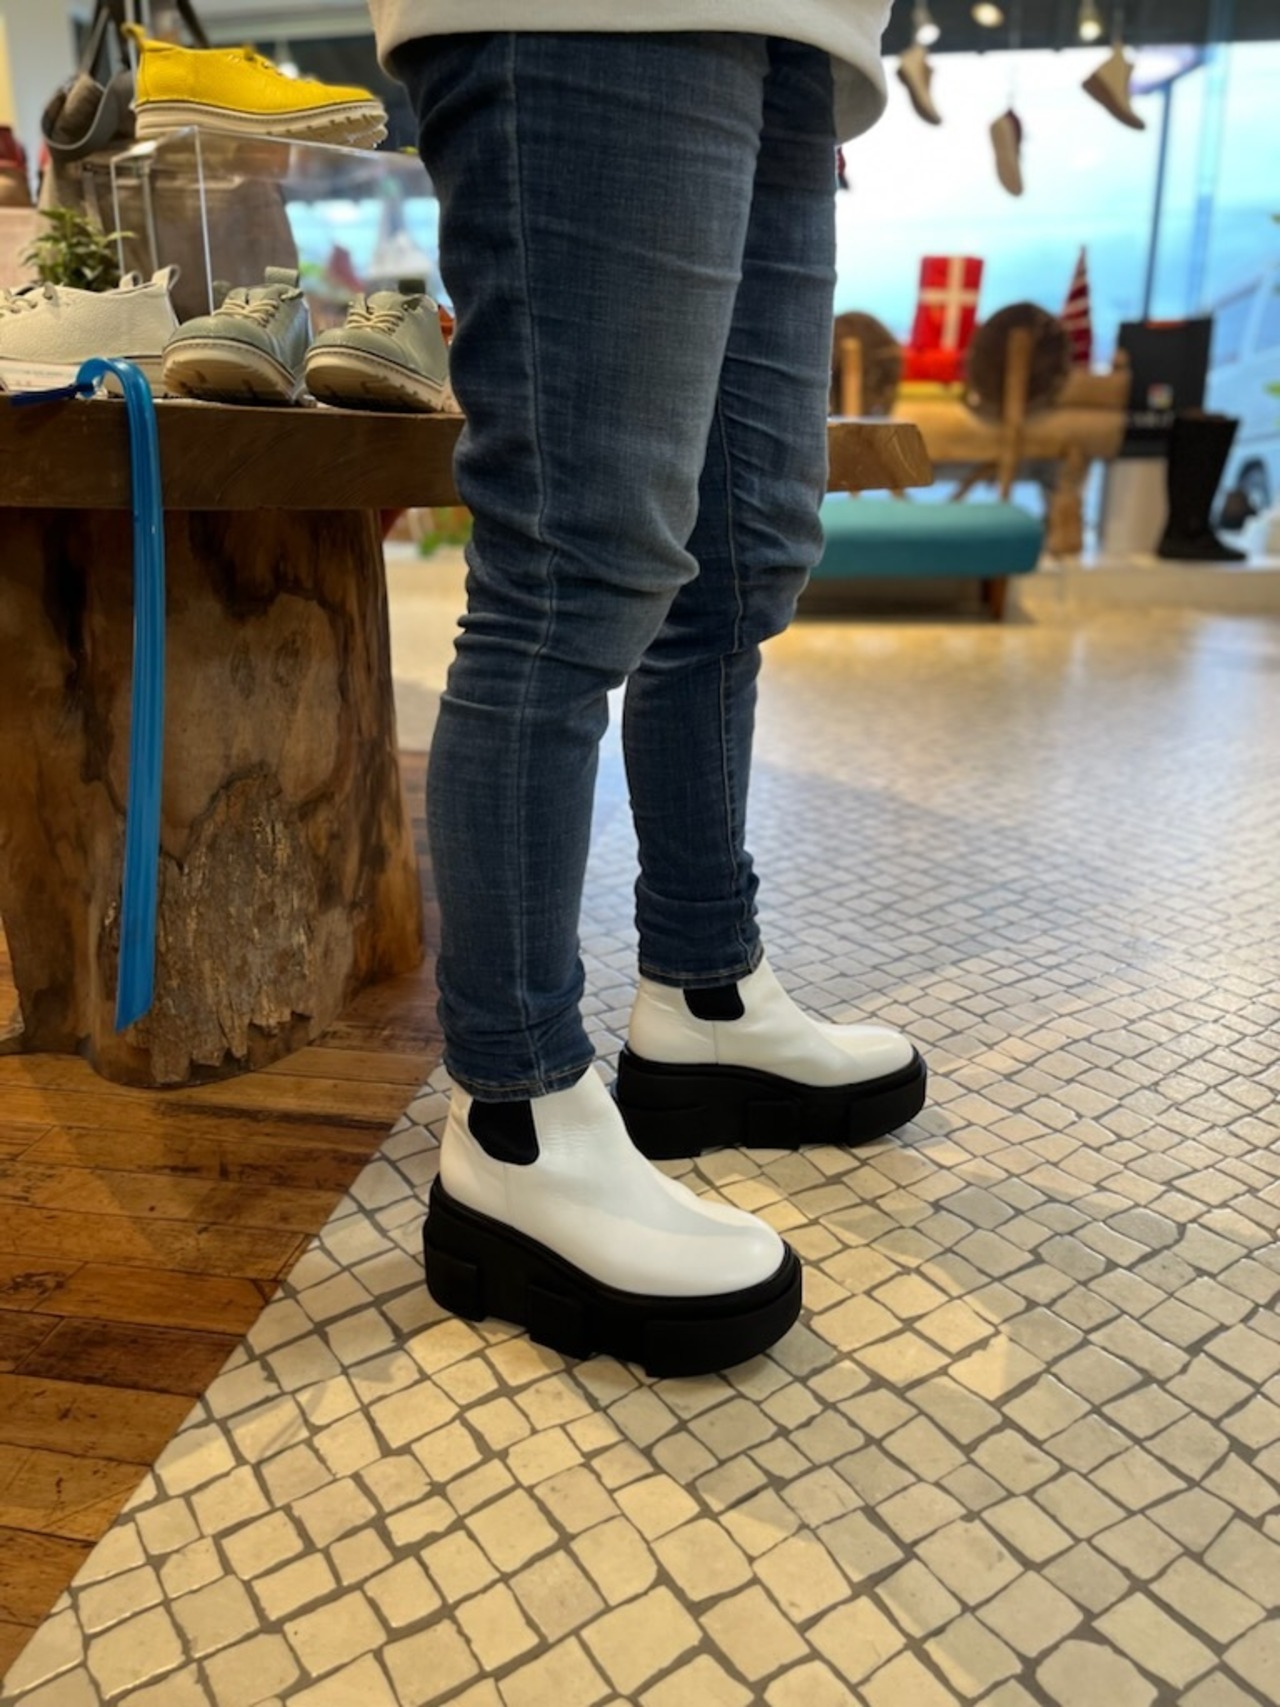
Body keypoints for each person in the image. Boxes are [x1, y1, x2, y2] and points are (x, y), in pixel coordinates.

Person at [367, 5, 927, 1377]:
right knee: (573, 567)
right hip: (589, 16)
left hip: (800, 40)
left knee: (743, 559)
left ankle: (705, 996)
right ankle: (516, 1122)